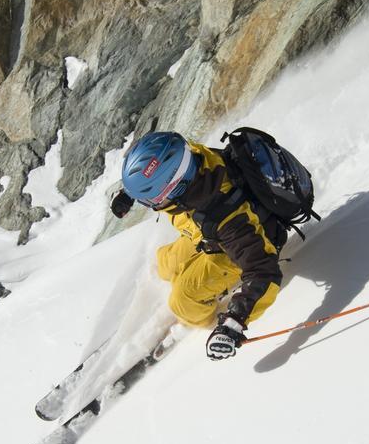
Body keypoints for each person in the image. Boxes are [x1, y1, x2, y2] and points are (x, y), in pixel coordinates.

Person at [110, 131, 287, 361]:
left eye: (150, 200)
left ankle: (208, 319)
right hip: (207, 234)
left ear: (171, 188)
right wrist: (130, 193)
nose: (151, 206)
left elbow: (264, 271)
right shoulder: (189, 157)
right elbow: (161, 163)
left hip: (235, 251)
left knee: (182, 300)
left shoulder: (227, 216)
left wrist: (234, 323)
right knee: (165, 263)